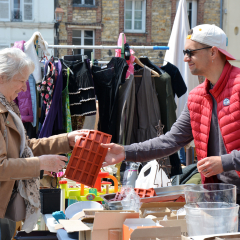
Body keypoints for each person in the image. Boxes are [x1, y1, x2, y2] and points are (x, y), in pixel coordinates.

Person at [102, 24, 240, 200]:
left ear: (213, 52)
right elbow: (171, 140)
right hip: (217, 196)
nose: (185, 59)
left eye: (191, 52)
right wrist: (125, 152)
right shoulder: (197, 97)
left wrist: (224, 162)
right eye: (184, 52)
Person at [0, 48, 85, 239]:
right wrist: (40, 164)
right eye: (21, 81)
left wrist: (66, 140)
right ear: (1, 78)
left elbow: (25, 145)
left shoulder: (7, 105)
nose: (24, 88)